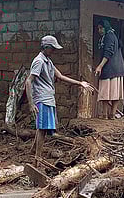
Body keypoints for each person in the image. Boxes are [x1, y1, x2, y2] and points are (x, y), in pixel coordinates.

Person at [26, 35, 94, 165]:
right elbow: (28, 81)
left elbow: (60, 76)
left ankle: (33, 151)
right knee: (42, 129)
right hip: (42, 98)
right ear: (46, 48)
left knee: (44, 128)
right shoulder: (39, 61)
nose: (54, 51)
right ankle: (37, 158)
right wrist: (31, 104)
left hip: (48, 98)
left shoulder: (48, 60)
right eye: (52, 48)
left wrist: (80, 83)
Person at [94, 20, 124, 119]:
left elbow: (108, 52)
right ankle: (112, 115)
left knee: (105, 93)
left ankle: (105, 115)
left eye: (101, 28)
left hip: (109, 69)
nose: (99, 30)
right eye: (98, 28)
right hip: (117, 69)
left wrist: (100, 66)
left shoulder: (108, 37)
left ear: (106, 28)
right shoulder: (113, 36)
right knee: (114, 93)